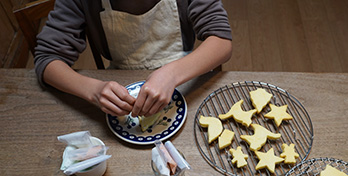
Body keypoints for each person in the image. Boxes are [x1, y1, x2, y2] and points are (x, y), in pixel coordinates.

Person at [34, 0, 232, 117]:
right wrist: (94, 90)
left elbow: (221, 42)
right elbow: (47, 59)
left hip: (186, 75)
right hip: (122, 89)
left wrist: (171, 74)